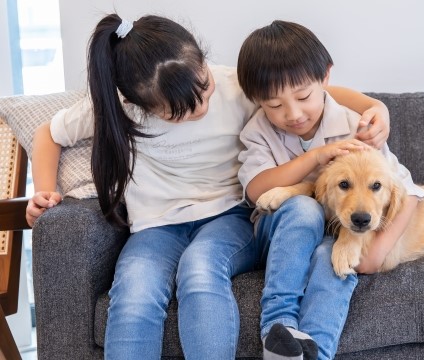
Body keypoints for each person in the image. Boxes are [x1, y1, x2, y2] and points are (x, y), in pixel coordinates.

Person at [25, 14, 391, 360]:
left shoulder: (235, 86)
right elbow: (48, 134)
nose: (201, 106)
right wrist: (45, 190)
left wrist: (376, 106)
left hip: (229, 218)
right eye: (180, 111)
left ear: (203, 62)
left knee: (199, 270)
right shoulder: (116, 107)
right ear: (139, 105)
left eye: (204, 88)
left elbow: (308, 89)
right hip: (156, 226)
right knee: (134, 293)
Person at [236, 20, 424, 360]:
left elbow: (405, 186)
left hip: (335, 233)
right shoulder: (258, 131)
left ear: (326, 78)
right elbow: (256, 192)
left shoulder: (357, 126)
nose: (292, 114)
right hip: (281, 235)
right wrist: (316, 157)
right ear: (256, 100)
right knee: (304, 208)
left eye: (303, 97)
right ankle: (277, 328)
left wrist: (377, 252)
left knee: (333, 259)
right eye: (275, 105)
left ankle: (314, 353)